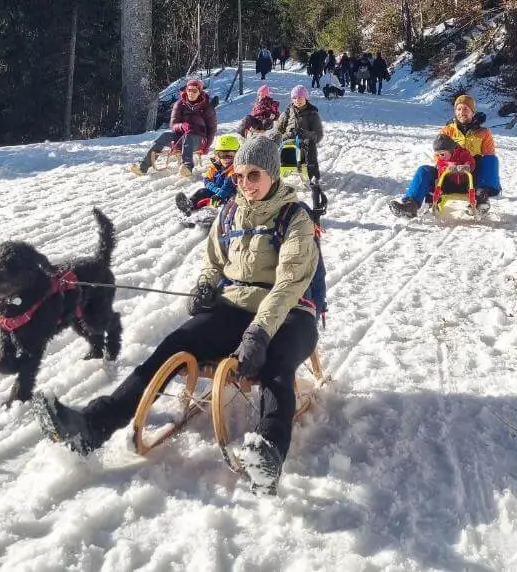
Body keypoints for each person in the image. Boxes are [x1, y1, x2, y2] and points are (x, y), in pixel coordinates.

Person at [32, 137, 320, 496]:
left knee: (276, 363)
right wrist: (204, 286)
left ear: (273, 174)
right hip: (236, 306)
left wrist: (260, 331)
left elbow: (291, 281)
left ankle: (268, 451)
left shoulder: (295, 217)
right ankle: (92, 425)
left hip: (291, 311)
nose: (245, 183)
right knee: (175, 344)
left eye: (254, 175)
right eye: (240, 174)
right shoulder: (230, 212)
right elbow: (214, 262)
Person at [389, 94, 501, 217]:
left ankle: (481, 198)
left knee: (491, 159)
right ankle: (410, 205)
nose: (462, 112)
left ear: (473, 112)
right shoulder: (447, 131)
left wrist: (470, 165)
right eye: (458, 109)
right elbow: (438, 156)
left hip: (473, 178)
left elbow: (489, 158)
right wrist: (447, 166)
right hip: (447, 176)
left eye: (466, 109)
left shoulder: (483, 132)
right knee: (424, 170)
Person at [130, 78, 217, 178]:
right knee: (164, 136)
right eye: (189, 90)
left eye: (194, 91)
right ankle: (143, 167)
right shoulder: (179, 104)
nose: (191, 93)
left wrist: (206, 147)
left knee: (188, 137)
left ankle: (187, 168)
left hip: (199, 139)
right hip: (180, 137)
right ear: (186, 90)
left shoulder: (206, 107)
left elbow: (212, 129)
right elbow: (173, 125)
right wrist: (182, 126)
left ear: (200, 92)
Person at [269, 85, 324, 186]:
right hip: (287, 142)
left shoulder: (312, 114)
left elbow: (318, 135)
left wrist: (304, 133)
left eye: (300, 97)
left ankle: (311, 174)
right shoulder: (288, 111)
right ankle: (268, 173)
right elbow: (278, 129)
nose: (297, 100)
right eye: (294, 98)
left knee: (309, 144)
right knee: (271, 142)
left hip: (303, 145)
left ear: (305, 98)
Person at [176, 133, 238, 215]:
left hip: (228, 195)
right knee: (202, 191)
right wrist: (216, 190)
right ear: (217, 155)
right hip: (216, 192)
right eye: (222, 155)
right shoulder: (215, 166)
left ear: (237, 155)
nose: (226, 159)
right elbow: (207, 180)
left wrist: (219, 195)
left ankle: (212, 217)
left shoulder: (235, 169)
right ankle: (188, 205)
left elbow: (228, 186)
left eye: (230, 156)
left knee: (224, 203)